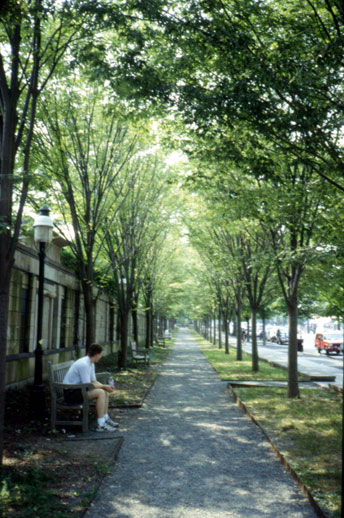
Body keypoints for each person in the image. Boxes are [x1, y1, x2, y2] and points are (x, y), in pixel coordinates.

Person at [63, 343, 118, 432]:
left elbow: (93, 381)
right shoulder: (84, 364)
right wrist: (104, 386)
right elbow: (88, 385)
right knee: (100, 392)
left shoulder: (91, 363)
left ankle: (105, 419)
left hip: (79, 389)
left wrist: (106, 387)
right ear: (97, 354)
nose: (100, 356)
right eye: (100, 354)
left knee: (104, 391)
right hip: (70, 393)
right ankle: (100, 425)